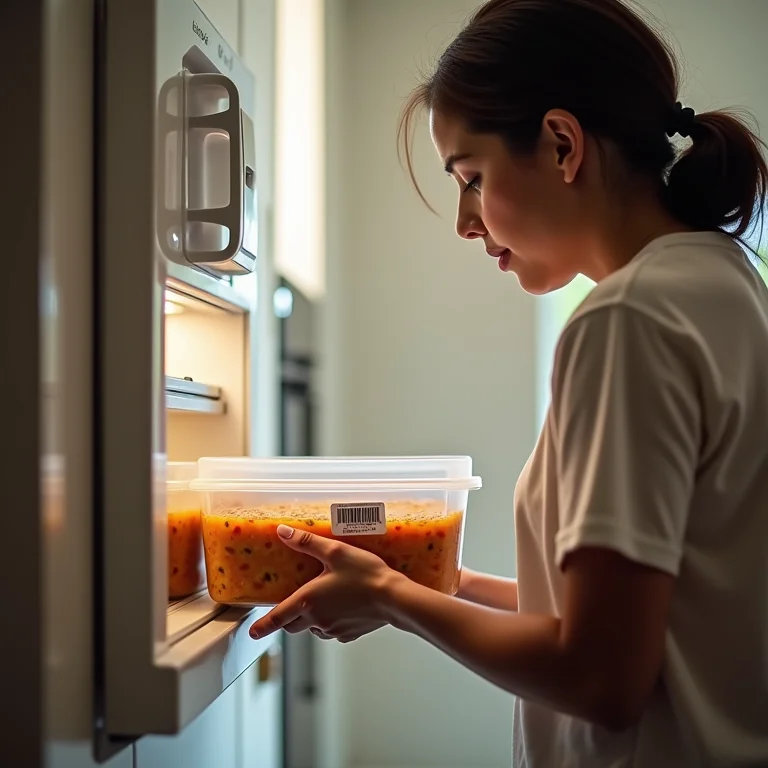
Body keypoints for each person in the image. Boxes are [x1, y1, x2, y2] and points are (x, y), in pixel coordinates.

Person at [250, 0, 768, 765]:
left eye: (472, 176)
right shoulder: (726, 282)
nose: (465, 221)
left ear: (562, 145)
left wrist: (392, 600)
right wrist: (437, 583)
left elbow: (601, 678)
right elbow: (632, 620)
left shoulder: (627, 320)